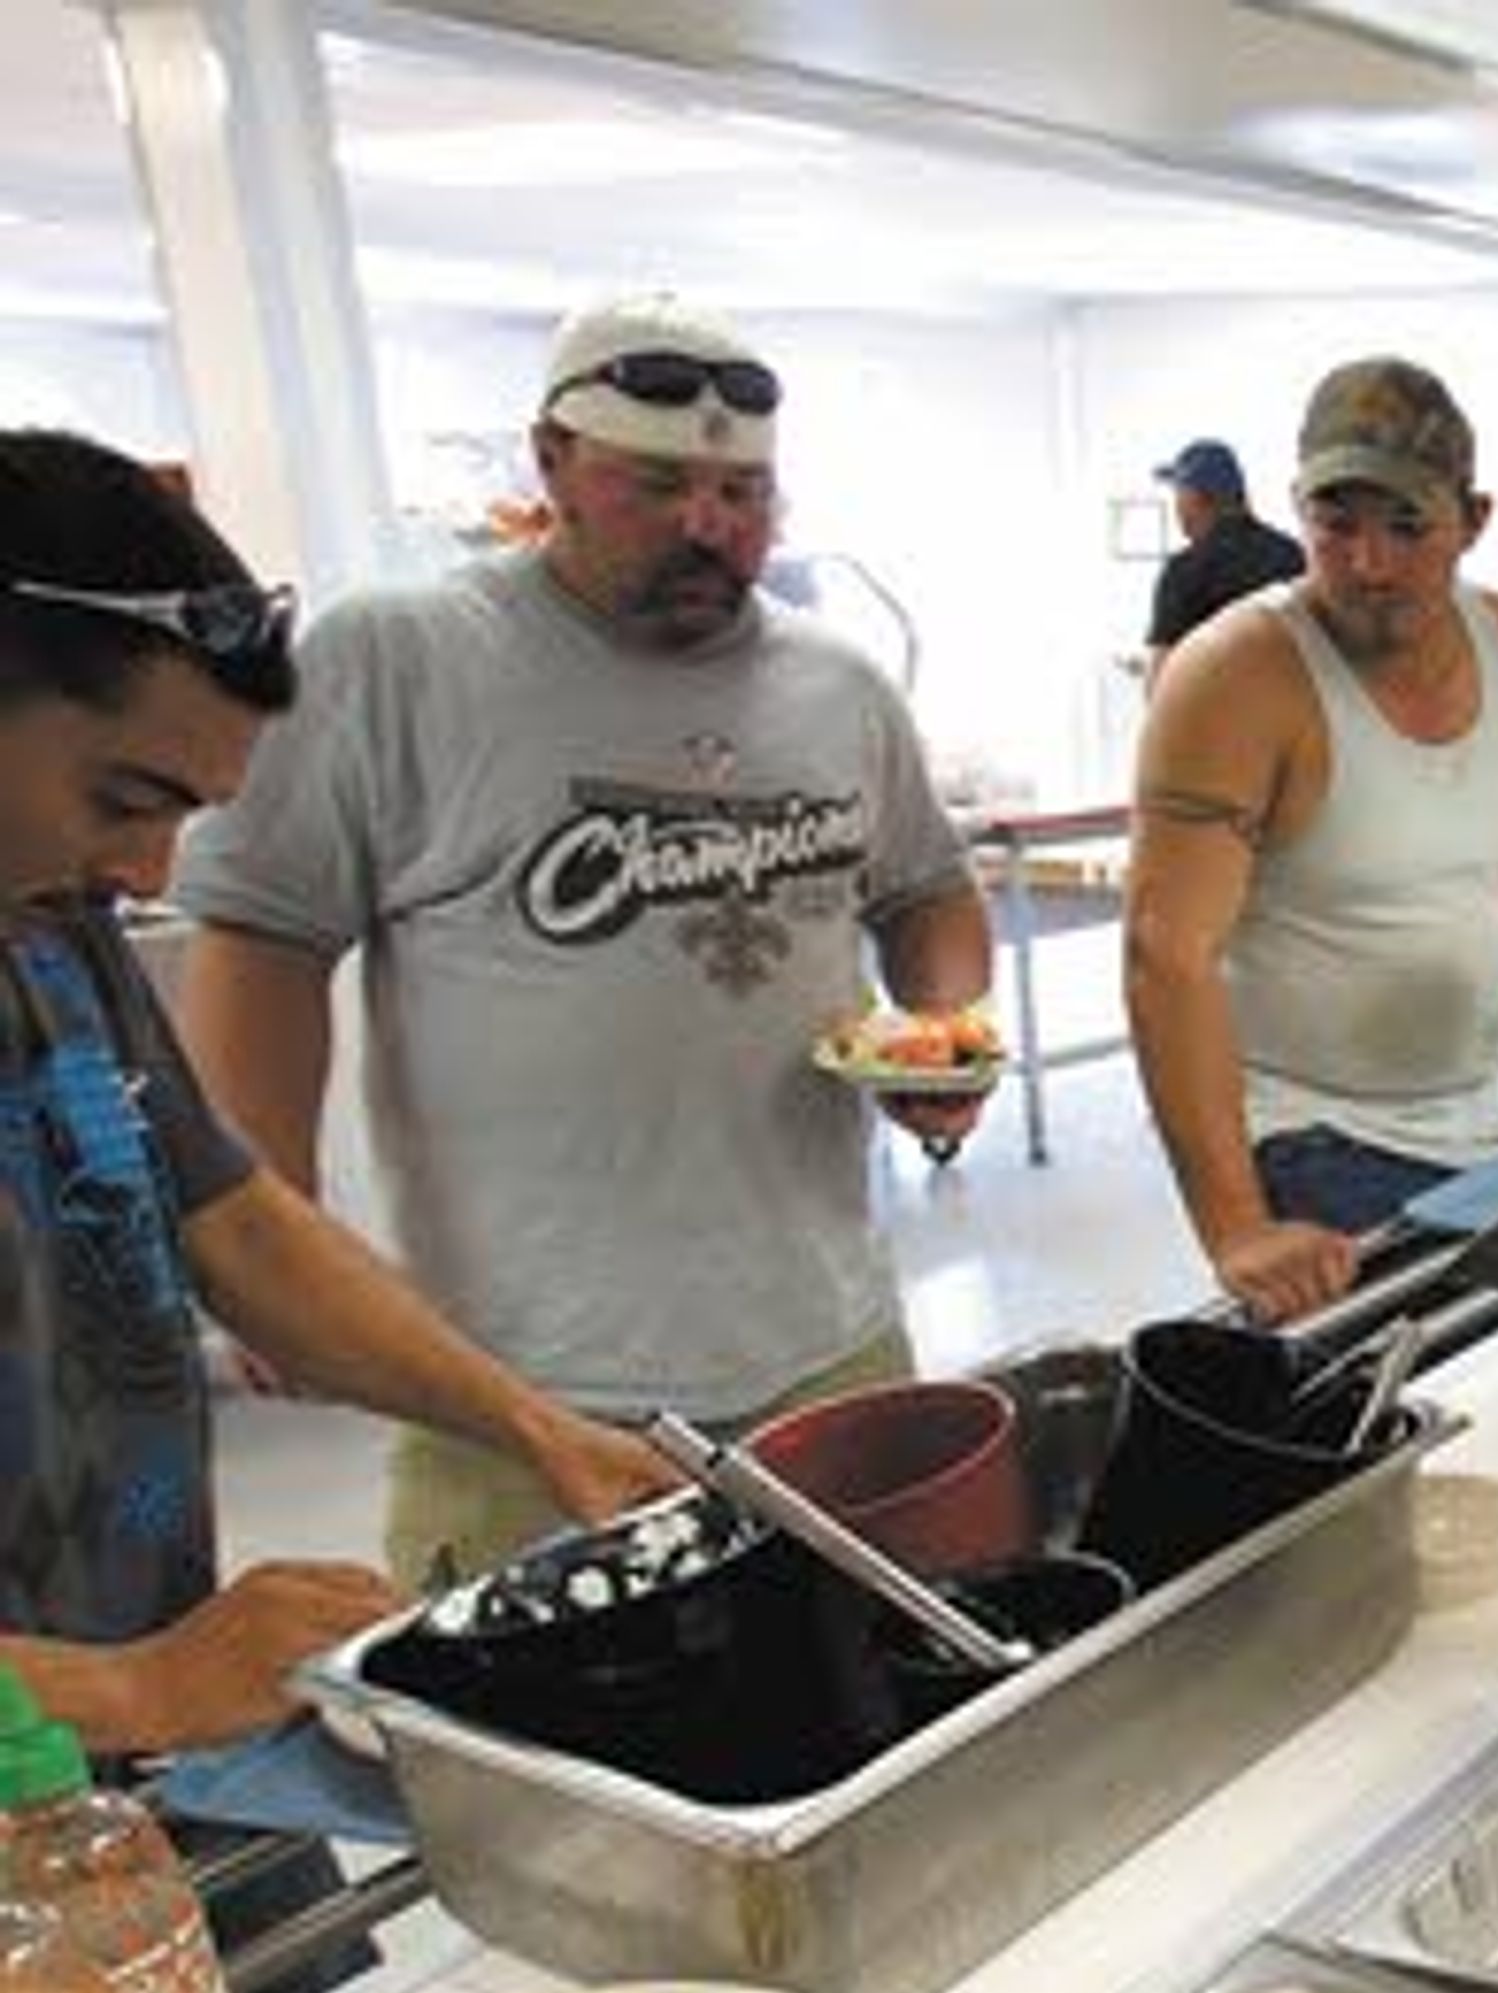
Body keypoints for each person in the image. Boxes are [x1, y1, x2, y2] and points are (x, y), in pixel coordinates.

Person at [173, 292, 994, 1587]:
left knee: (866, 1686)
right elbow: (263, 944)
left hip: (825, 1329)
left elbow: (928, 895)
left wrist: (941, 1035)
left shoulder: (836, 685)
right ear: (550, 459)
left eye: (742, 492)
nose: (705, 527)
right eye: (656, 484)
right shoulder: (398, 660)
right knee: (562, 1747)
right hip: (522, 1381)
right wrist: (268, 1225)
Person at [0, 430, 668, 1751]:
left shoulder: (46, 922)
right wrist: (126, 1689)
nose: (148, 872)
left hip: (123, 1744)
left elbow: (234, 1224)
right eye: (124, 797)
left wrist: (533, 1428)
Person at [1127, 354, 1498, 1321]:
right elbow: (1167, 953)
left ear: (1475, 518)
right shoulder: (1237, 677)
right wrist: (1236, 1226)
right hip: (1310, 1131)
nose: (1368, 565)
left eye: (1407, 526)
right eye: (1336, 525)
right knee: (1446, 1397)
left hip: (1484, 1114)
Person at [1143, 437, 1306, 672]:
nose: (1176, 506)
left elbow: (1159, 683)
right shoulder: (1294, 556)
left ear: (1195, 497)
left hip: (1214, 706)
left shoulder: (1184, 571)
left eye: (1178, 493)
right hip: (1293, 704)